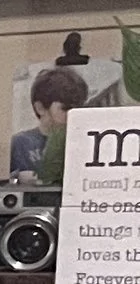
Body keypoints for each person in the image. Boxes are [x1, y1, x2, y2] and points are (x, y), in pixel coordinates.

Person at [12, 36, 97, 179]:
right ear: (40, 108)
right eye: (65, 108)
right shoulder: (22, 142)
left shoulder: (83, 142)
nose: (72, 115)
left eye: (77, 108)